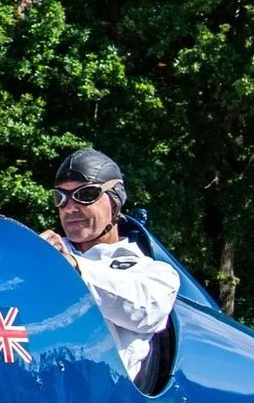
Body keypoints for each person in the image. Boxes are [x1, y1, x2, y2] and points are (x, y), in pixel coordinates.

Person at [39, 148, 179, 387]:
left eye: (86, 194)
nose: (70, 207)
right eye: (61, 198)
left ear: (114, 201)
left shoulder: (156, 275)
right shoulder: (44, 253)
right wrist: (25, 259)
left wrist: (73, 268)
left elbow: (143, 309)